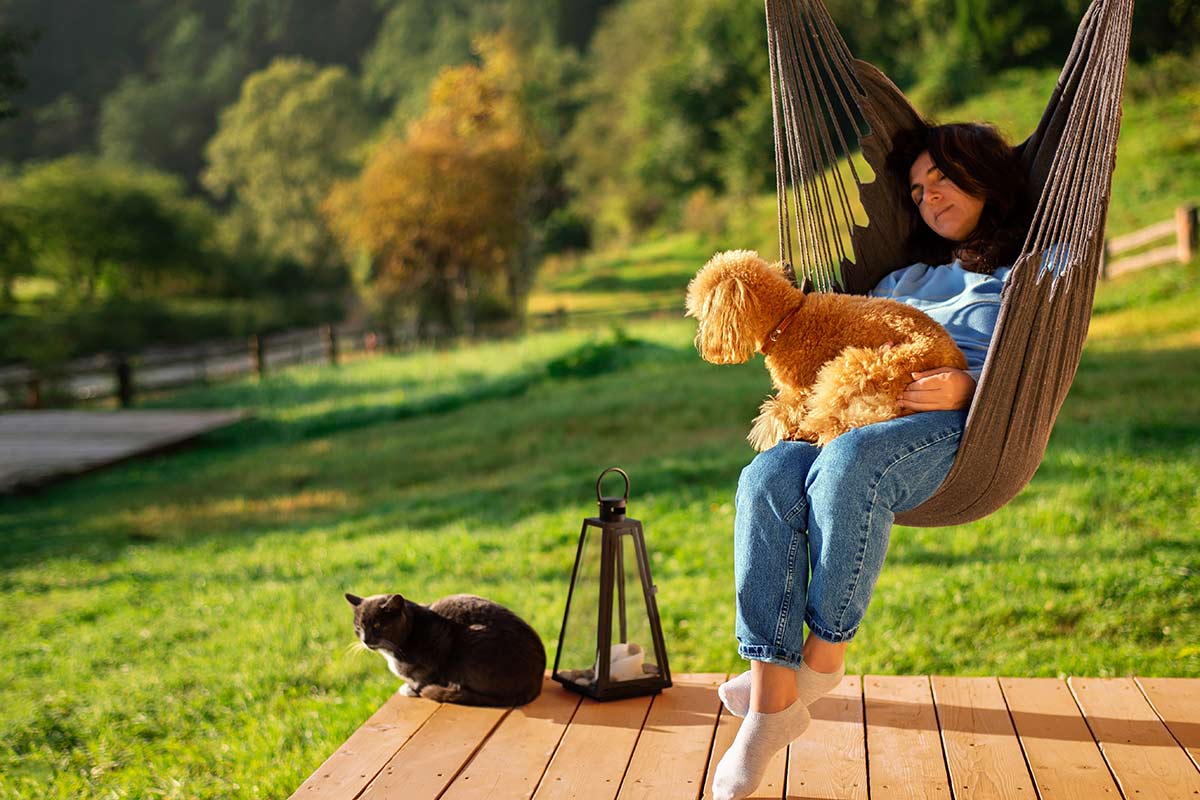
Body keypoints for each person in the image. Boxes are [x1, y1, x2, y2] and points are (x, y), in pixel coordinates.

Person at [711, 122, 1032, 800]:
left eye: (941, 176)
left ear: (986, 177)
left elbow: (1040, 369)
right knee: (765, 474)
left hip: (961, 428)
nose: (928, 195)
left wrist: (972, 387)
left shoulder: (1032, 272)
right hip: (861, 412)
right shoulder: (903, 275)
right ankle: (772, 696)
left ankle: (821, 662)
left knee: (852, 458)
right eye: (917, 190)